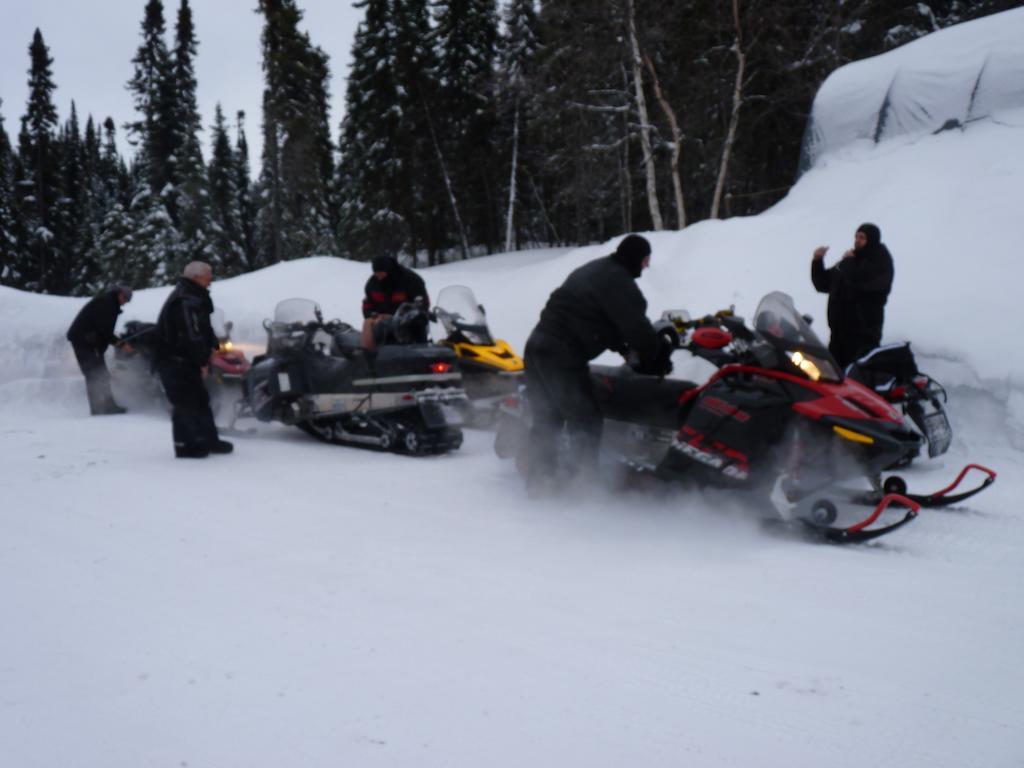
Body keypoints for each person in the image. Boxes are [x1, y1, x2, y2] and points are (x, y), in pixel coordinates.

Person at [522, 234, 672, 494]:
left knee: (547, 418)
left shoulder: (595, 270)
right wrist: (656, 357)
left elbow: (596, 320)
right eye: (646, 260)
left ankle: (539, 483)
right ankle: (580, 487)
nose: (646, 267)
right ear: (639, 258)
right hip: (561, 353)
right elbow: (636, 327)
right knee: (585, 420)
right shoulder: (620, 283)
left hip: (537, 346)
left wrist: (623, 348)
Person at [153, 261, 233, 459]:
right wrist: (202, 360)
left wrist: (214, 344)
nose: (210, 280)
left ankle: (208, 440)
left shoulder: (195, 296)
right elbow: (192, 334)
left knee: (201, 400)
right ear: (197, 278)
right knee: (184, 404)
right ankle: (185, 446)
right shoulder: (185, 300)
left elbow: (203, 326)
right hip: (174, 360)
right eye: (208, 276)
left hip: (185, 359)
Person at [811, 222, 894, 368]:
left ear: (872, 240)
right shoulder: (851, 261)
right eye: (856, 236)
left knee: (857, 380)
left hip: (862, 336)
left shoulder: (880, 262)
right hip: (838, 335)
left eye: (862, 237)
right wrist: (817, 261)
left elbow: (859, 278)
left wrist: (848, 262)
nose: (857, 240)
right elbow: (823, 284)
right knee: (834, 377)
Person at [66, 285, 133, 415]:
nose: (125, 301)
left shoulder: (110, 303)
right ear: (118, 293)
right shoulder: (106, 303)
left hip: (90, 342)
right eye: (125, 298)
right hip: (83, 341)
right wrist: (121, 344)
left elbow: (103, 330)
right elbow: (105, 331)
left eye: (128, 300)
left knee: (101, 374)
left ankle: (107, 405)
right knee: (93, 375)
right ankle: (98, 409)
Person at [361, 255, 430, 348]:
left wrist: (405, 315)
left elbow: (422, 303)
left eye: (381, 273)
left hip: (408, 323)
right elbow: (367, 304)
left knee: (418, 326)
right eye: (376, 273)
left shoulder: (411, 280)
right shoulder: (373, 284)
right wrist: (373, 316)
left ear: (388, 270)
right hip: (382, 324)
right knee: (368, 326)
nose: (378, 277)